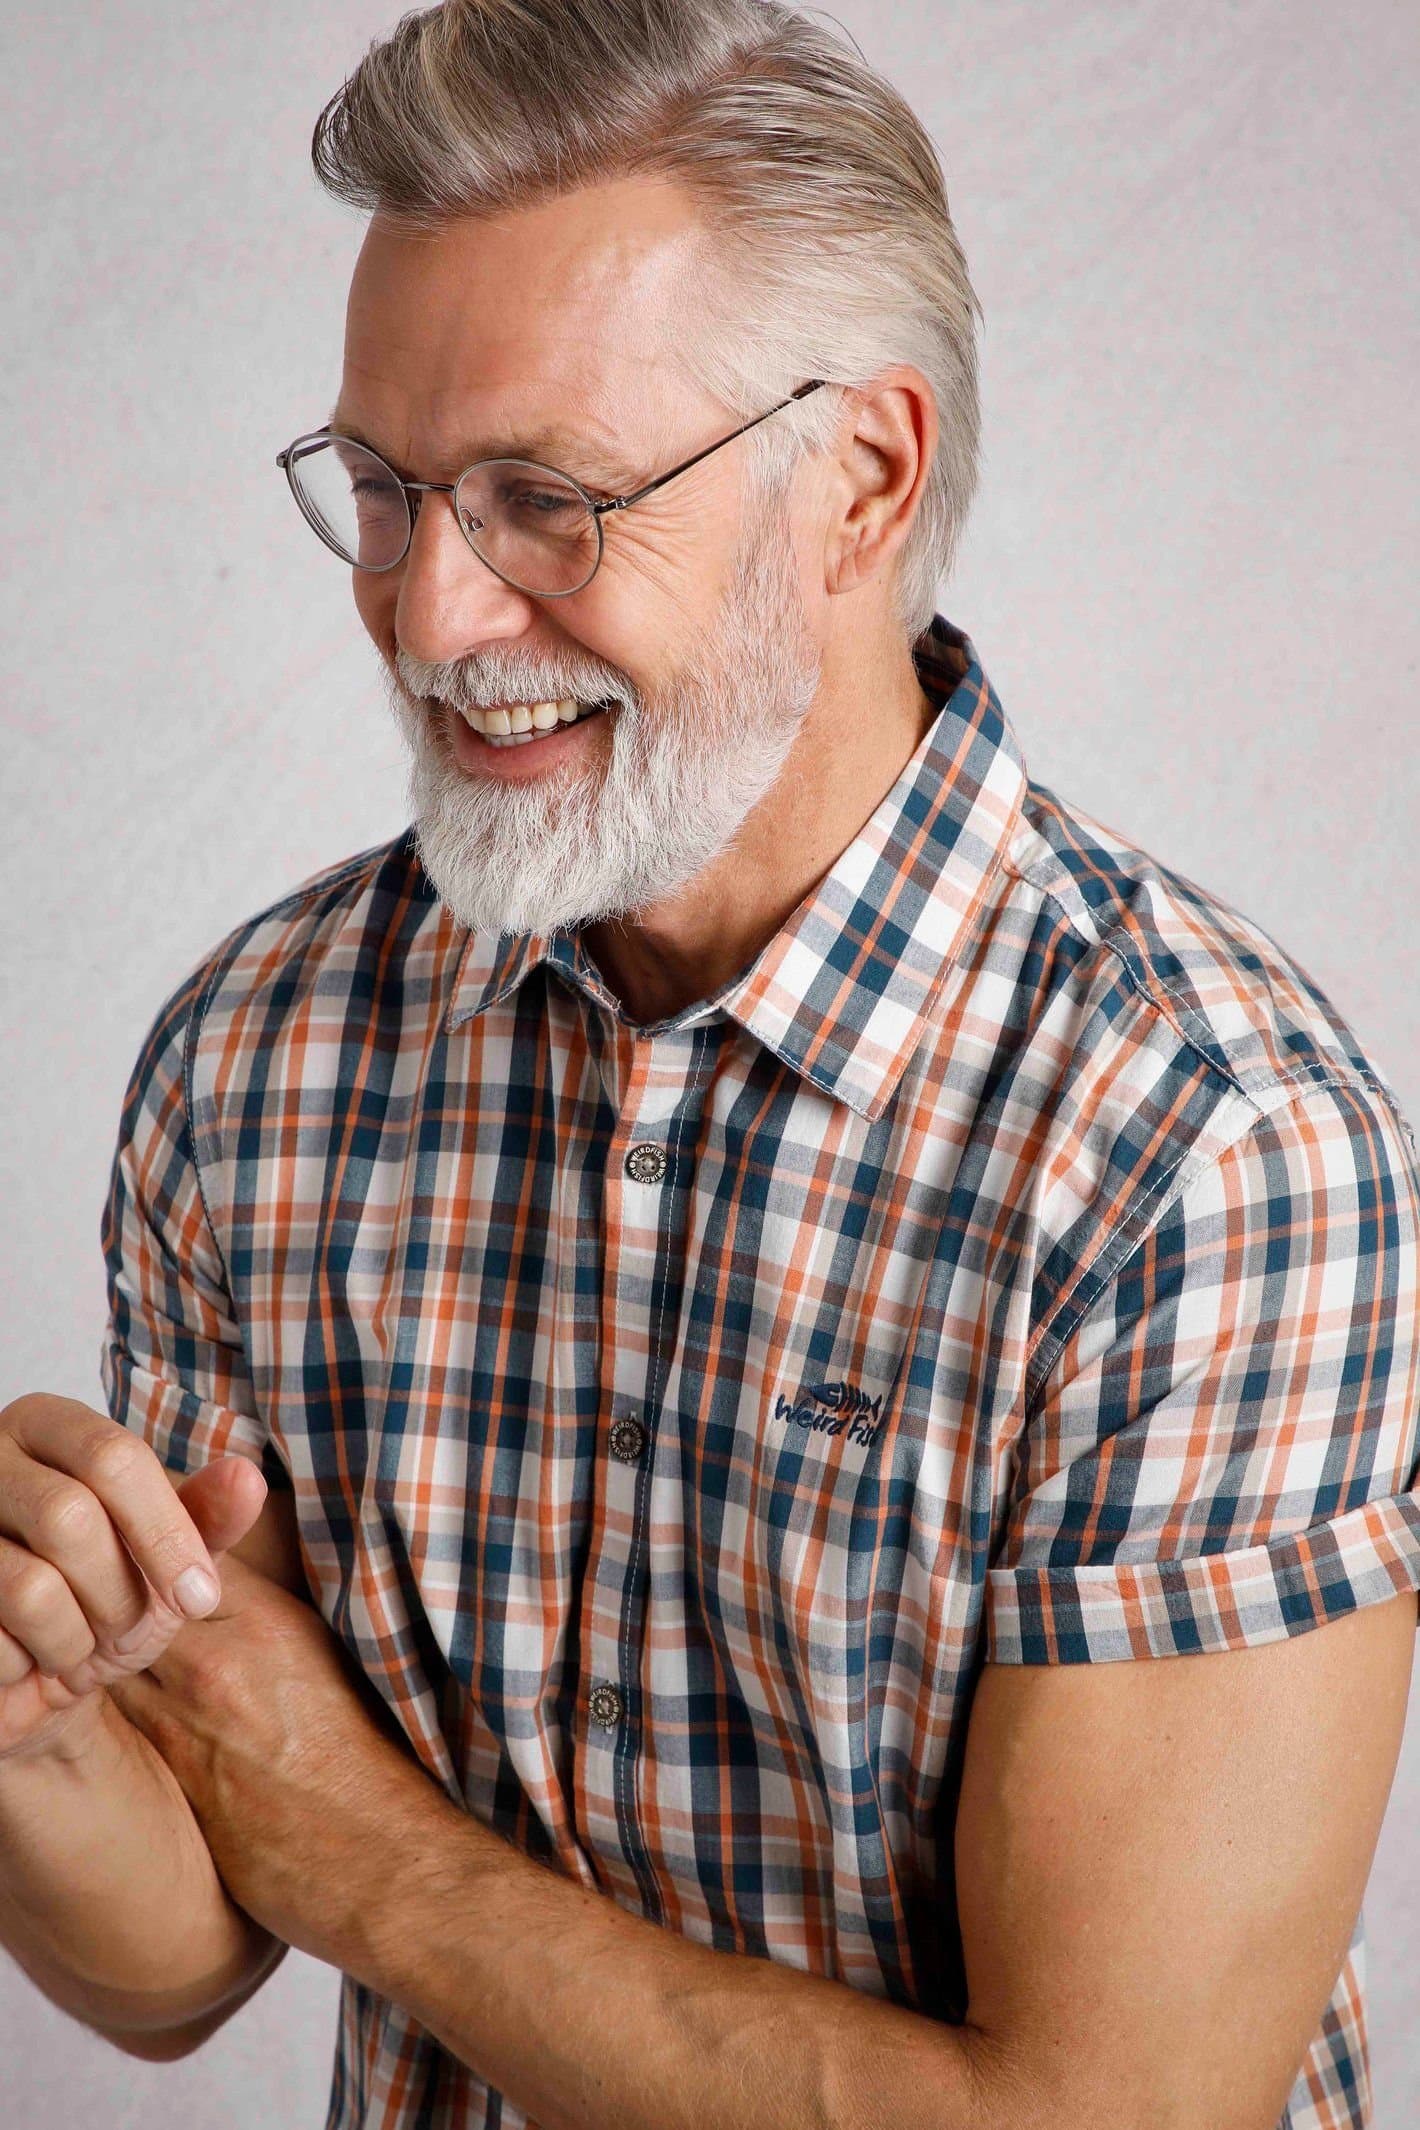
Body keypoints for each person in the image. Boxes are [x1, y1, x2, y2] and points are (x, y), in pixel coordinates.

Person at [2, 3, 1418, 2127]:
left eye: (543, 500)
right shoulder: (257, 1058)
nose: (430, 611)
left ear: (856, 479)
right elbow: (185, 1948)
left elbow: (1099, 2122)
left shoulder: (1204, 1148)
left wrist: (365, 1852)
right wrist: (33, 1713)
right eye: (382, 491)